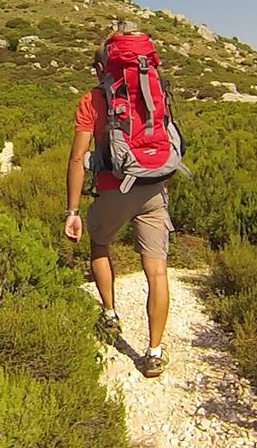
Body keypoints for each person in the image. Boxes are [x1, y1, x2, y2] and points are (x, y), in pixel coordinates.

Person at [64, 35, 174, 378]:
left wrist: (73, 211)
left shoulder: (93, 100)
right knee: (156, 271)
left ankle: (110, 314)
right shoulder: (153, 92)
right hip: (154, 187)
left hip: (114, 190)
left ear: (101, 68)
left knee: (100, 245)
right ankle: (154, 352)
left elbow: (77, 158)